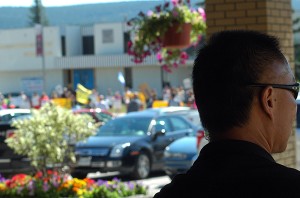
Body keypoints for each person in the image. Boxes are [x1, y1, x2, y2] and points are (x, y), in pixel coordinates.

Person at [154, 30, 300, 197]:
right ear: (269, 100)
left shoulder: (171, 194)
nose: (294, 105)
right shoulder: (291, 188)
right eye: (293, 90)